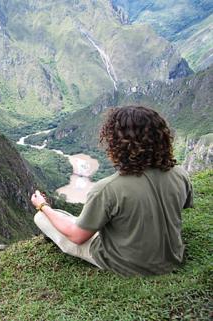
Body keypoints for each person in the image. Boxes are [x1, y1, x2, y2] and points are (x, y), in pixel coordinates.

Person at [31, 106, 194, 275]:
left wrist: (43, 206)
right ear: (162, 138)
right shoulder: (180, 174)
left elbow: (77, 237)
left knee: (42, 218)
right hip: (173, 257)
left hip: (129, 265)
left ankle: (48, 213)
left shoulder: (107, 189)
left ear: (116, 144)